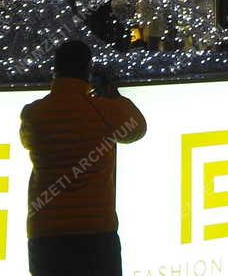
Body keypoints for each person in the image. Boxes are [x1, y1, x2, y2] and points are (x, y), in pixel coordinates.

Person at [20, 37, 147, 276]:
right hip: (96, 230)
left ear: (55, 70)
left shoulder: (33, 113)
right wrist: (113, 95)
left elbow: (28, 141)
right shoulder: (103, 110)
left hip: (46, 230)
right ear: (88, 70)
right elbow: (137, 128)